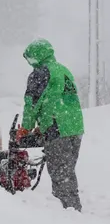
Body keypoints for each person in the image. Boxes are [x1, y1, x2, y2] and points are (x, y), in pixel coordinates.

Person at [17, 38, 84, 212]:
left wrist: (26, 127)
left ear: (39, 55)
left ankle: (70, 214)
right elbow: (58, 100)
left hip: (58, 128)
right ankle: (72, 209)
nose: (31, 63)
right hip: (75, 128)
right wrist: (45, 123)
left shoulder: (40, 72)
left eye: (31, 58)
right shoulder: (63, 70)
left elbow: (32, 103)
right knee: (67, 172)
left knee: (61, 175)